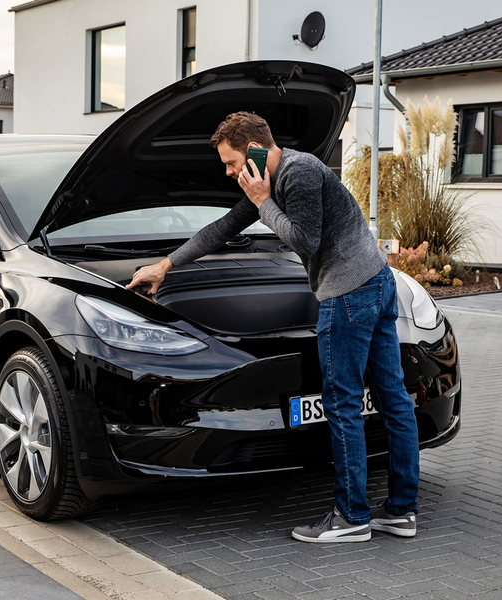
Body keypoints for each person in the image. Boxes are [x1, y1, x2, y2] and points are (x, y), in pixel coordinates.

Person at [127, 111, 419, 543]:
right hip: (375, 281)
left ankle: (352, 517)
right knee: (394, 398)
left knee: (342, 403)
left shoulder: (297, 174)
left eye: (230, 163)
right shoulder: (273, 174)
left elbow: (305, 241)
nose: (228, 173)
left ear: (254, 151)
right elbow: (224, 227)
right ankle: (401, 511)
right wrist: (166, 265)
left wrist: (264, 200)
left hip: (348, 295)